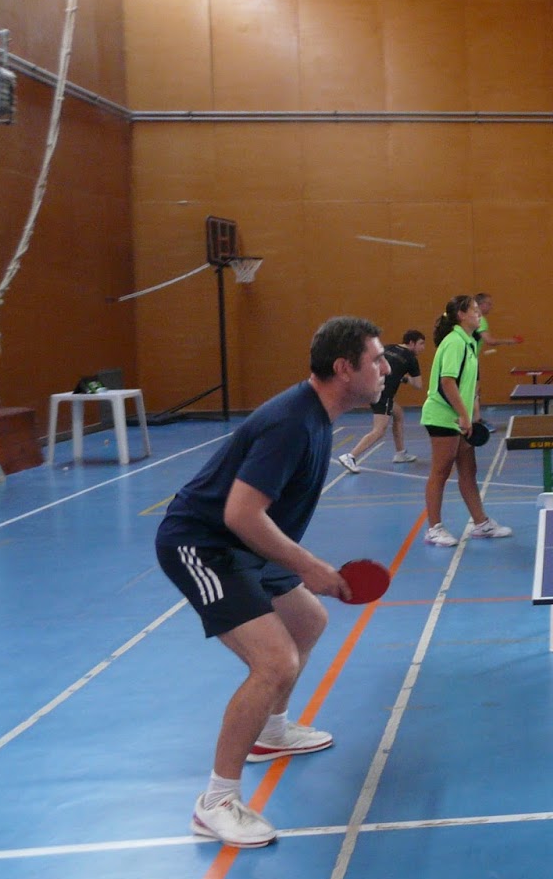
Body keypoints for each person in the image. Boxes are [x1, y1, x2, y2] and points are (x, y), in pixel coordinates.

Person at [155, 316, 389, 849]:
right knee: (275, 662)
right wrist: (310, 566)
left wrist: (302, 570)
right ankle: (215, 803)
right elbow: (241, 513)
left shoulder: (318, 416)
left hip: (246, 545)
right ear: (344, 368)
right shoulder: (292, 424)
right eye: (375, 360)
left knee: (308, 621)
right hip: (204, 545)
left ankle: (271, 731)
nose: (384, 368)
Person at [420, 295, 513, 547]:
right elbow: (447, 382)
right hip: (442, 416)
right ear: (461, 315)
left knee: (468, 470)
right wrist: (463, 415)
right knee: (440, 472)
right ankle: (434, 529)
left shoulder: (469, 342)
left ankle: (481, 523)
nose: (479, 313)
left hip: (459, 417)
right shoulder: (454, 342)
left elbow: (464, 385)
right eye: (474, 310)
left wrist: (467, 415)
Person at [338, 328, 425, 472]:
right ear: (411, 343)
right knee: (379, 430)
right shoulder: (411, 358)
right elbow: (418, 385)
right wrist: (405, 378)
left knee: (398, 414)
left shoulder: (388, 348)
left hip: (371, 388)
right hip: (383, 395)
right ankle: (350, 456)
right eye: (421, 344)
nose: (423, 348)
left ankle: (400, 453)